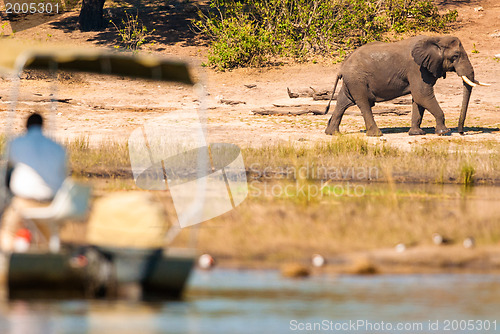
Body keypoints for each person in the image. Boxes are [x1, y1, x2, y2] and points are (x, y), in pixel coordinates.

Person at [0, 113, 68, 252]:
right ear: (43, 126)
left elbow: (9, 166)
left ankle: (7, 260)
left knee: (7, 231)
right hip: (50, 204)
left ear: (26, 126)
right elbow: (64, 173)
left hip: (23, 203)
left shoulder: (17, 142)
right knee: (48, 240)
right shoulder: (57, 147)